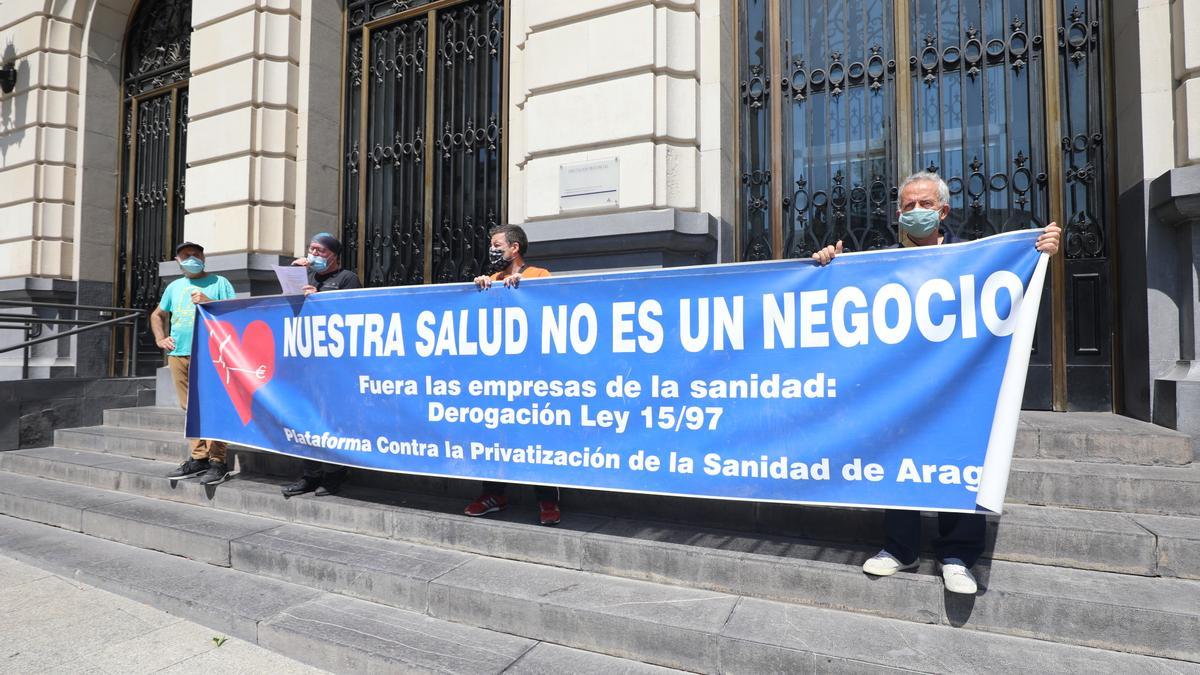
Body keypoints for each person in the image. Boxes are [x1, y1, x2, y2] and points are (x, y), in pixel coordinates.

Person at [812, 171, 1061, 594]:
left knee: (958, 456)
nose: (916, 212)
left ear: (943, 211)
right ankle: (900, 548)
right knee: (898, 457)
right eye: (907, 206)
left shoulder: (974, 258)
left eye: (925, 205)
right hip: (899, 386)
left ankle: (959, 556)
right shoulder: (879, 262)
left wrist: (1039, 252)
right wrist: (828, 266)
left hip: (957, 385)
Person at [463, 224, 561, 525]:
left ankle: (547, 501)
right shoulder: (490, 280)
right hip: (497, 378)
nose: (492, 250)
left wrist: (529, 290)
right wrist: (479, 290)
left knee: (537, 437)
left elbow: (557, 307)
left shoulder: (540, 275)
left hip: (532, 375)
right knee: (495, 436)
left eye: (496, 244)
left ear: (514, 248)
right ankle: (493, 494)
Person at [280, 233, 363, 497]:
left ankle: (335, 473)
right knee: (305, 419)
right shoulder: (308, 278)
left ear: (334, 255)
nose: (313, 254)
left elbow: (354, 313)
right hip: (307, 363)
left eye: (320, 250)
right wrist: (294, 278)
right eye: (311, 249)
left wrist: (319, 300)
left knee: (332, 420)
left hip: (334, 365)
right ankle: (310, 473)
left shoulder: (347, 278)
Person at [153, 242, 237, 484]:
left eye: (195, 254)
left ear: (203, 258)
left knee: (215, 406)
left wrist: (210, 301)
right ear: (178, 261)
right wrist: (160, 338)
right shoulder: (175, 286)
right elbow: (157, 314)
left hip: (211, 354)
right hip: (179, 353)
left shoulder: (220, 282)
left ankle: (218, 462)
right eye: (185, 255)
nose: (191, 258)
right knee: (189, 408)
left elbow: (235, 313)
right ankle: (199, 457)